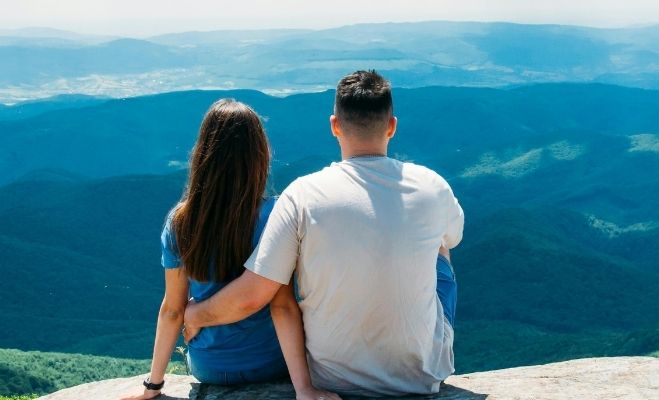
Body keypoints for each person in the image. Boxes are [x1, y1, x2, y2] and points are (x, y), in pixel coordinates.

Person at [183, 70, 464, 396]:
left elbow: (253, 295)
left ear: (334, 126)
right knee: (441, 246)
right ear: (392, 126)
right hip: (420, 377)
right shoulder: (433, 186)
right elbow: (452, 239)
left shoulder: (301, 195)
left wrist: (193, 315)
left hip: (332, 379)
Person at [122, 99, 339, 400]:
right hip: (270, 362)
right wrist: (304, 388)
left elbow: (172, 309)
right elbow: (282, 306)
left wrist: (153, 386)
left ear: (203, 154)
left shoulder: (180, 222)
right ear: (259, 155)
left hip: (208, 366)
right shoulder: (274, 216)